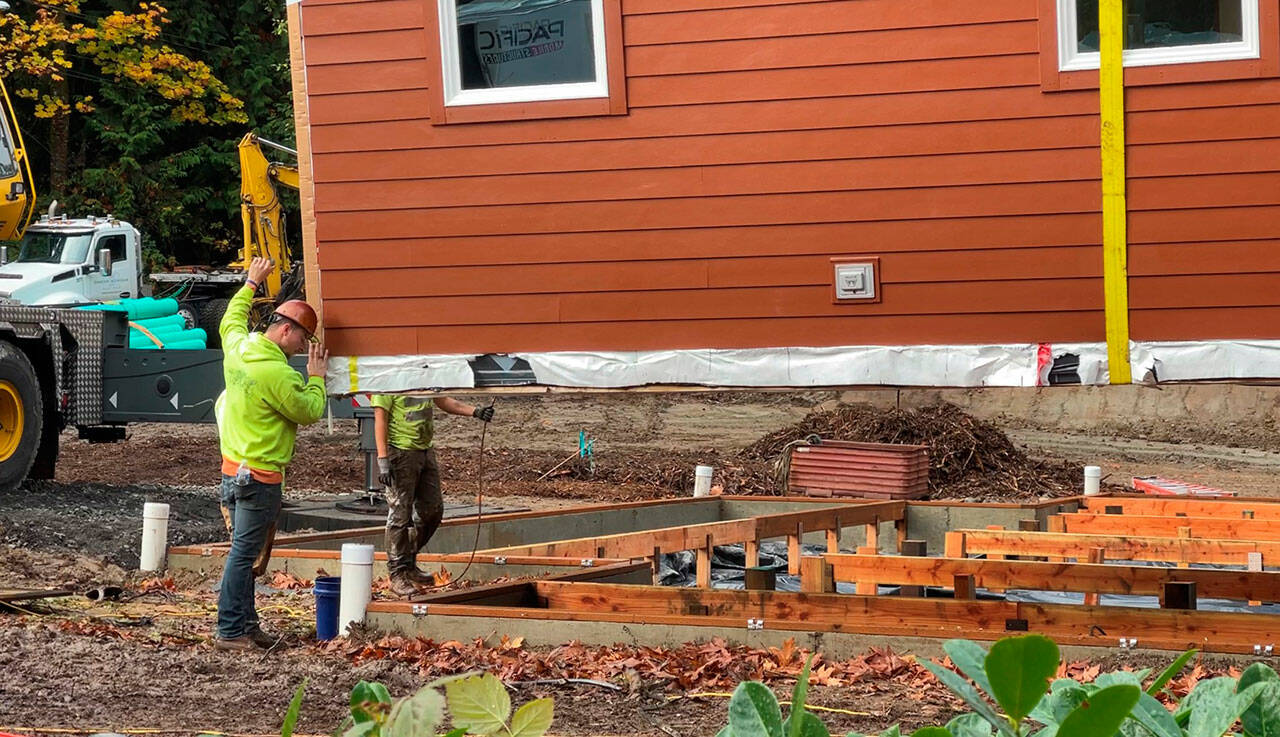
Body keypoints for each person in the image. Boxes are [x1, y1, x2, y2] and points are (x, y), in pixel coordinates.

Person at [214, 256, 328, 650]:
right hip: (260, 476)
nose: (302, 347)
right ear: (284, 330)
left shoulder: (239, 348)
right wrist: (315, 380)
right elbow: (309, 411)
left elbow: (229, 320)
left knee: (243, 554)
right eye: (302, 339)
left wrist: (251, 284)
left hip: (233, 471)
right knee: (243, 556)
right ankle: (231, 630)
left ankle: (245, 626)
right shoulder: (277, 374)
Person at [372, 394, 495, 596]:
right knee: (400, 515)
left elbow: (444, 401)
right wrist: (383, 459)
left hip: (424, 450)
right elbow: (380, 418)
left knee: (433, 510)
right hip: (400, 451)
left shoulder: (423, 375)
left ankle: (408, 561)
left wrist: (475, 411)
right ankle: (397, 574)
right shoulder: (390, 378)